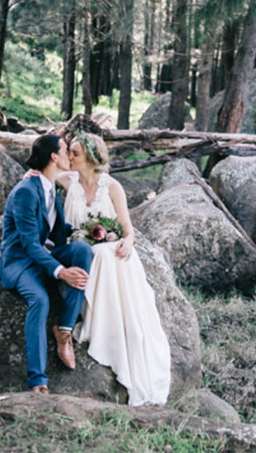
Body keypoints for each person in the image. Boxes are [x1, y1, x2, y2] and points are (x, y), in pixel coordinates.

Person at [55, 131, 172, 406]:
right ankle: (97, 322)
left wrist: (127, 242)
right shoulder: (66, 181)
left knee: (109, 253)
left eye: (75, 153)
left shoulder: (113, 187)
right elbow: (44, 172)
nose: (70, 157)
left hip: (109, 252)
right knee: (100, 254)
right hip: (79, 254)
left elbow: (128, 230)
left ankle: (113, 327)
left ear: (91, 158)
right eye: (69, 152)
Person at [0, 134, 93, 395]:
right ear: (54, 156)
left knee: (83, 250)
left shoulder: (52, 187)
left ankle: (64, 329)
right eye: (66, 151)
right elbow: (29, 245)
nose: (69, 156)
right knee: (40, 300)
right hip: (21, 262)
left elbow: (56, 232)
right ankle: (38, 380)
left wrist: (97, 231)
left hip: (44, 256)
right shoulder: (26, 192)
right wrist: (61, 272)